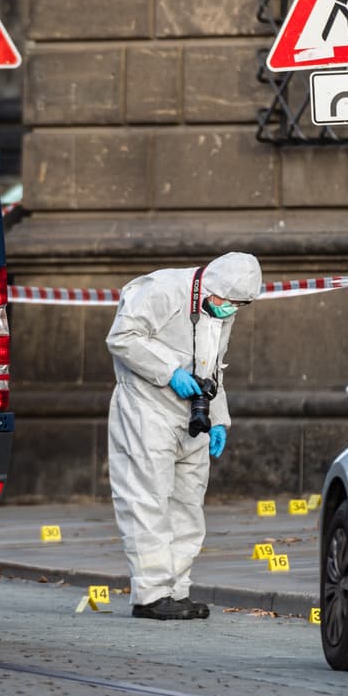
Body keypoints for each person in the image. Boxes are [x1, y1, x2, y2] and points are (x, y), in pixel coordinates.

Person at [105, 251, 262, 620]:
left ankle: (176, 590)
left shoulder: (222, 306)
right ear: (210, 286)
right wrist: (169, 371)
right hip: (147, 407)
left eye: (239, 305)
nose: (230, 310)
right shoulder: (161, 288)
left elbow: (214, 367)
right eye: (228, 302)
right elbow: (122, 337)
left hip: (193, 415)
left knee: (188, 506)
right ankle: (150, 594)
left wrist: (219, 418)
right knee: (148, 500)